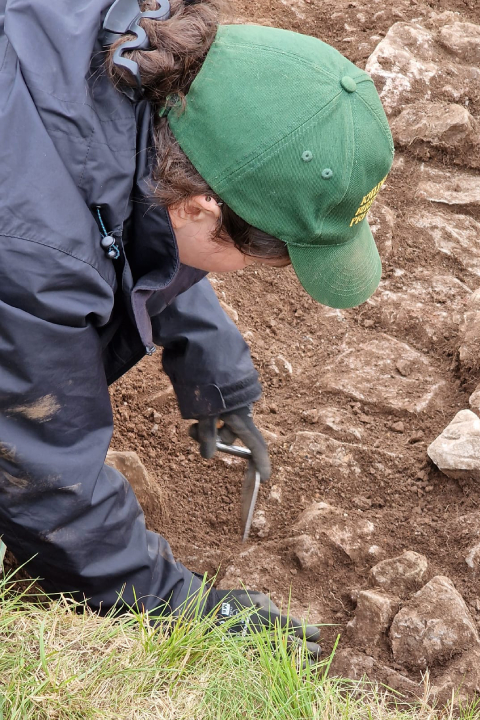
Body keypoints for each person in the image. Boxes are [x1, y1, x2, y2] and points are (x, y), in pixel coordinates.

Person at [0, 0, 393, 655]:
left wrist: (211, 363)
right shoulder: (38, 258)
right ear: (200, 208)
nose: (252, 272)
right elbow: (43, 484)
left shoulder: (147, 57)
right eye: (259, 256)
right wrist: (189, 610)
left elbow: (137, 215)